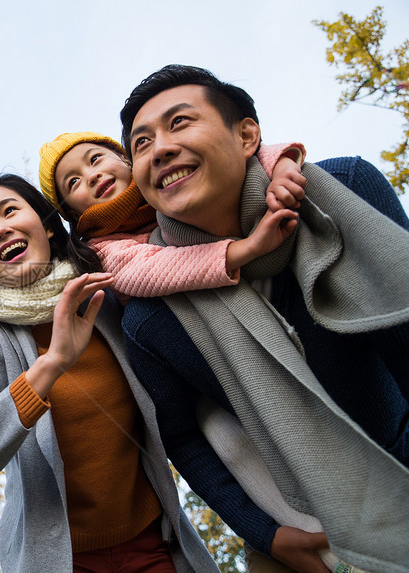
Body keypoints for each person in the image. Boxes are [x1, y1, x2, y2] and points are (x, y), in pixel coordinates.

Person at [117, 64, 409, 573]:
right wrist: (265, 536)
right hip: (316, 528)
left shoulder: (342, 189)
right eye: (141, 144)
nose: (159, 148)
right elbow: (183, 439)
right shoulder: (150, 317)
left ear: (248, 134)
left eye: (180, 123)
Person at [0, 173, 219, 573]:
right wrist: (51, 364)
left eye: (10, 210)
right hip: (60, 562)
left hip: (156, 546)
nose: (0, 229)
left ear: (49, 227)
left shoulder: (105, 294)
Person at [36, 131, 306, 303]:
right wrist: (247, 248)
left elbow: (226, 159)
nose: (92, 175)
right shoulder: (100, 249)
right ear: (72, 212)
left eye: (95, 159)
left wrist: (283, 166)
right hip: (202, 308)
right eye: (73, 182)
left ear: (124, 158)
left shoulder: (163, 177)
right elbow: (149, 269)